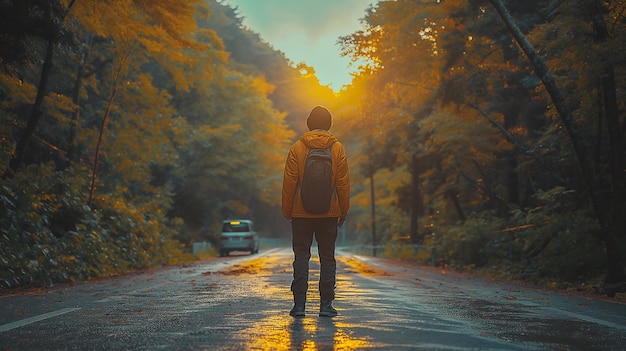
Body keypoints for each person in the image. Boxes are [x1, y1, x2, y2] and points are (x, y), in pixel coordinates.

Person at [281, 105, 350, 317]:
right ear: (329, 124)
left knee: (301, 256)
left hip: (301, 214)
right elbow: (343, 184)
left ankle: (299, 306)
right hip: (329, 214)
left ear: (309, 124)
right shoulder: (337, 148)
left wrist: (288, 211)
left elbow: (290, 182)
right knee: (327, 258)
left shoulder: (297, 148)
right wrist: (343, 212)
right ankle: (326, 306)